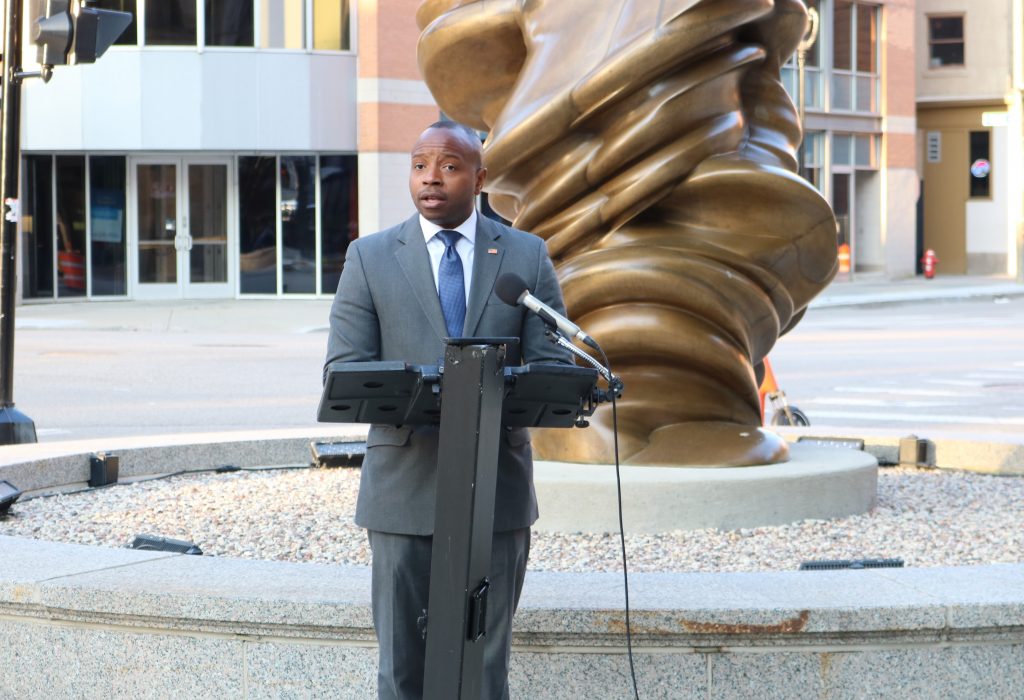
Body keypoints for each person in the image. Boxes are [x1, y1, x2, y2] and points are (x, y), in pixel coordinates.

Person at [324, 120, 573, 699]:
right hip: (402, 492)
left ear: (480, 177)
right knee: (402, 671)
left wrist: (489, 389)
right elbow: (343, 370)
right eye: (418, 165)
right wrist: (440, 388)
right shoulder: (370, 257)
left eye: (449, 166)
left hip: (497, 493)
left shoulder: (525, 255)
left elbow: (552, 370)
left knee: (485, 670)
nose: (430, 178)